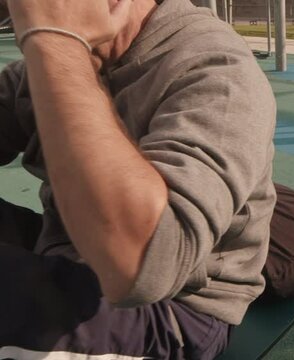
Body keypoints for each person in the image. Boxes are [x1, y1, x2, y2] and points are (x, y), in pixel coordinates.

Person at [0, 0, 277, 358]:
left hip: (173, 313)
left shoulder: (217, 68)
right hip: (70, 255)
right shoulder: (62, 61)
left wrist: (55, 40)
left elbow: (143, 267)